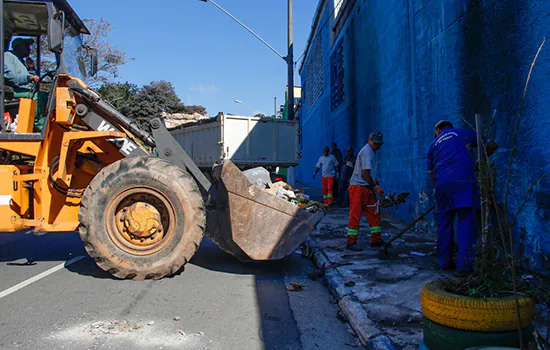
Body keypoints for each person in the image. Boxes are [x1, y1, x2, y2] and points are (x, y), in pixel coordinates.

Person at [427, 120, 482, 273]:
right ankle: (464, 266)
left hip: (442, 184)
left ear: (438, 130)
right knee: (465, 222)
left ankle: (444, 262)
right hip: (462, 181)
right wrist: (477, 162)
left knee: (444, 223)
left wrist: (440, 191)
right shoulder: (462, 133)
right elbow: (487, 145)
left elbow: (431, 173)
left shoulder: (433, 145)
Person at [346, 132, 385, 250]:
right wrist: (375, 186)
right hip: (359, 188)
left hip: (365, 187)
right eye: (375, 143)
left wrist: (374, 182)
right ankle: (351, 242)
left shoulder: (370, 151)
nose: (377, 146)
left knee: (374, 213)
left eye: (379, 144)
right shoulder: (367, 151)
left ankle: (376, 239)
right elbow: (365, 173)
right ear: (369, 140)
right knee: (356, 215)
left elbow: (368, 172)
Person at [4, 38, 47, 130]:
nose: (29, 48)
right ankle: (36, 123)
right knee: (38, 96)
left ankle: (45, 120)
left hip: (24, 89)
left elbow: (32, 78)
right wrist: (28, 78)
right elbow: (8, 76)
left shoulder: (22, 61)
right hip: (14, 90)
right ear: (18, 47)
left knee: (48, 96)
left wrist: (31, 69)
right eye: (26, 46)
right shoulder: (8, 56)